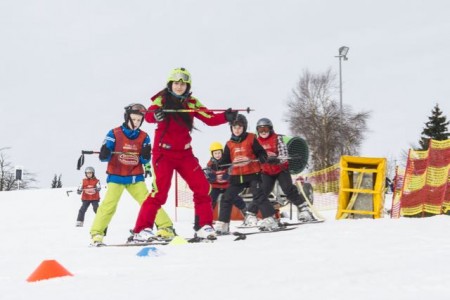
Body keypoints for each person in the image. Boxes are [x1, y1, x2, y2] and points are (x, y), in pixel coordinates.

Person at [130, 67, 237, 242]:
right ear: (170, 84)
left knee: (202, 187)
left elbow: (209, 118)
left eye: (183, 84)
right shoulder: (162, 99)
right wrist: (156, 115)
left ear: (187, 86)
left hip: (185, 154)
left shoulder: (192, 102)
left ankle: (204, 226)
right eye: (176, 83)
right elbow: (149, 115)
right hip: (164, 153)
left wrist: (226, 116)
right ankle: (141, 230)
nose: (179, 87)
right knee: (160, 193)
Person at [89, 103, 175, 246]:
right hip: (116, 176)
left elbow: (144, 159)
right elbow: (104, 157)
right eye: (133, 119)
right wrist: (105, 152)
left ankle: (166, 227)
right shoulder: (114, 133)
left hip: (135, 177)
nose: (135, 123)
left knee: (149, 202)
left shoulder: (144, 137)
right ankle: (97, 234)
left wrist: (145, 155)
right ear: (127, 117)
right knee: (109, 205)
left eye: (138, 120)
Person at [215, 114, 279, 234]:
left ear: (244, 127)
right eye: (234, 127)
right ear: (231, 128)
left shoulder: (251, 138)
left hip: (252, 173)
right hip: (236, 176)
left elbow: (261, 152)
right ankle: (223, 224)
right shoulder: (229, 144)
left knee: (258, 195)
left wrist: (262, 157)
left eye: (239, 127)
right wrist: (217, 164)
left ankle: (270, 219)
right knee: (226, 197)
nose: (237, 129)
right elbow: (225, 161)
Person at [253, 117, 317, 223]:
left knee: (288, 189)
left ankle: (304, 210)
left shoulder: (277, 138)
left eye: (266, 129)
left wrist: (277, 160)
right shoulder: (256, 142)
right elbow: (254, 157)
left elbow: (284, 154)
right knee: (262, 192)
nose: (263, 132)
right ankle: (259, 215)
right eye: (260, 130)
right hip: (267, 172)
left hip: (280, 169)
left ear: (270, 129)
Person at [204, 141, 247, 215]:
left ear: (222, 152)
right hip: (216, 186)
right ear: (212, 154)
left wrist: (226, 176)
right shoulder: (210, 164)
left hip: (226, 186)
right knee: (211, 199)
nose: (217, 155)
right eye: (215, 153)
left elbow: (232, 171)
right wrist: (215, 177)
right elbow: (208, 175)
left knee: (234, 197)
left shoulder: (226, 162)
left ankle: (245, 211)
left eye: (219, 153)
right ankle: (208, 216)